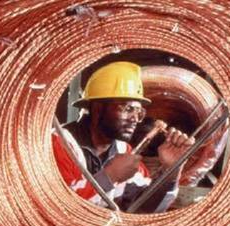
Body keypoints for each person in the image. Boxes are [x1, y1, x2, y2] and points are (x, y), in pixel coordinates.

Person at [52, 61, 194, 213]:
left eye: (139, 112)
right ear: (98, 108)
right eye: (127, 109)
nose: (135, 119)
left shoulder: (123, 150)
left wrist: (172, 171)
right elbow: (58, 209)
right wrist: (110, 176)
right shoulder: (58, 143)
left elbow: (145, 211)